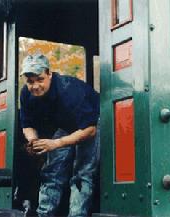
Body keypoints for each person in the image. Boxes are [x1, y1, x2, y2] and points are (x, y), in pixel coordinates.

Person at [20, 53, 100, 217]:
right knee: (52, 170)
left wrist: (55, 143)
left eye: (40, 79)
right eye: (30, 81)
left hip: (92, 123)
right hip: (66, 125)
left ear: (49, 74)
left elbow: (90, 129)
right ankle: (44, 214)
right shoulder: (26, 94)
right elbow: (27, 124)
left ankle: (77, 214)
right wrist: (34, 141)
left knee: (82, 173)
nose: (35, 86)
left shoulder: (68, 90)